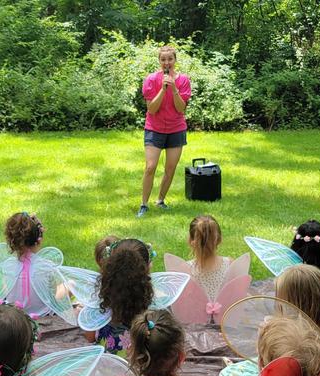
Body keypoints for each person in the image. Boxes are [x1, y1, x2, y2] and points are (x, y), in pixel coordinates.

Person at [219, 264, 320, 376]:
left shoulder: (276, 329)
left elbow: (265, 365)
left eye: (280, 299)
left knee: (230, 375)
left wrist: (263, 337)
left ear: (292, 303)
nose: (276, 302)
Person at [137, 45, 192, 218]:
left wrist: (174, 88)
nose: (167, 62)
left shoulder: (183, 80)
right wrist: (163, 89)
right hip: (155, 128)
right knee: (150, 167)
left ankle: (160, 200)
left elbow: (181, 108)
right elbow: (151, 109)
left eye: (170, 59)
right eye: (163, 59)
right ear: (159, 61)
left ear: (175, 60)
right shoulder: (151, 79)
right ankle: (144, 204)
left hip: (176, 129)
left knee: (170, 168)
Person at [93, 239, 155, 353]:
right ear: (145, 269)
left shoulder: (100, 303)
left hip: (104, 363)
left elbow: (90, 336)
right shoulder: (154, 314)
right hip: (138, 366)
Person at [185, 215, 231, 301]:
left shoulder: (185, 270)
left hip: (195, 314)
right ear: (219, 239)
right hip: (226, 314)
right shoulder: (230, 264)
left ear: (190, 241)